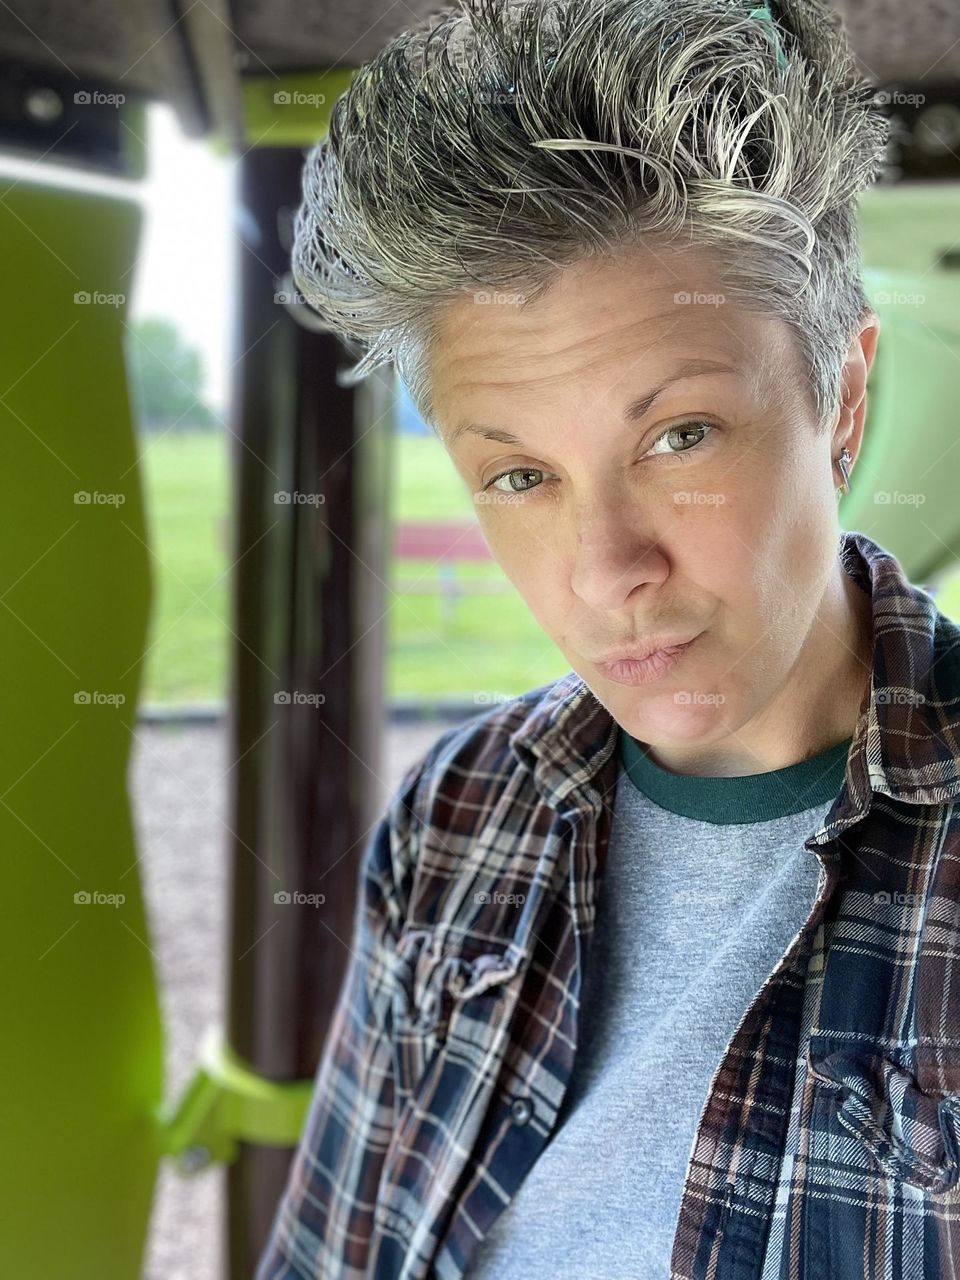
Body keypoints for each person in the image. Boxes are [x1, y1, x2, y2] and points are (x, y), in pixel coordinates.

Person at [255, 0, 960, 1276]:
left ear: (843, 400)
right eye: (520, 476)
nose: (606, 574)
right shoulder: (458, 818)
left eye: (679, 434)